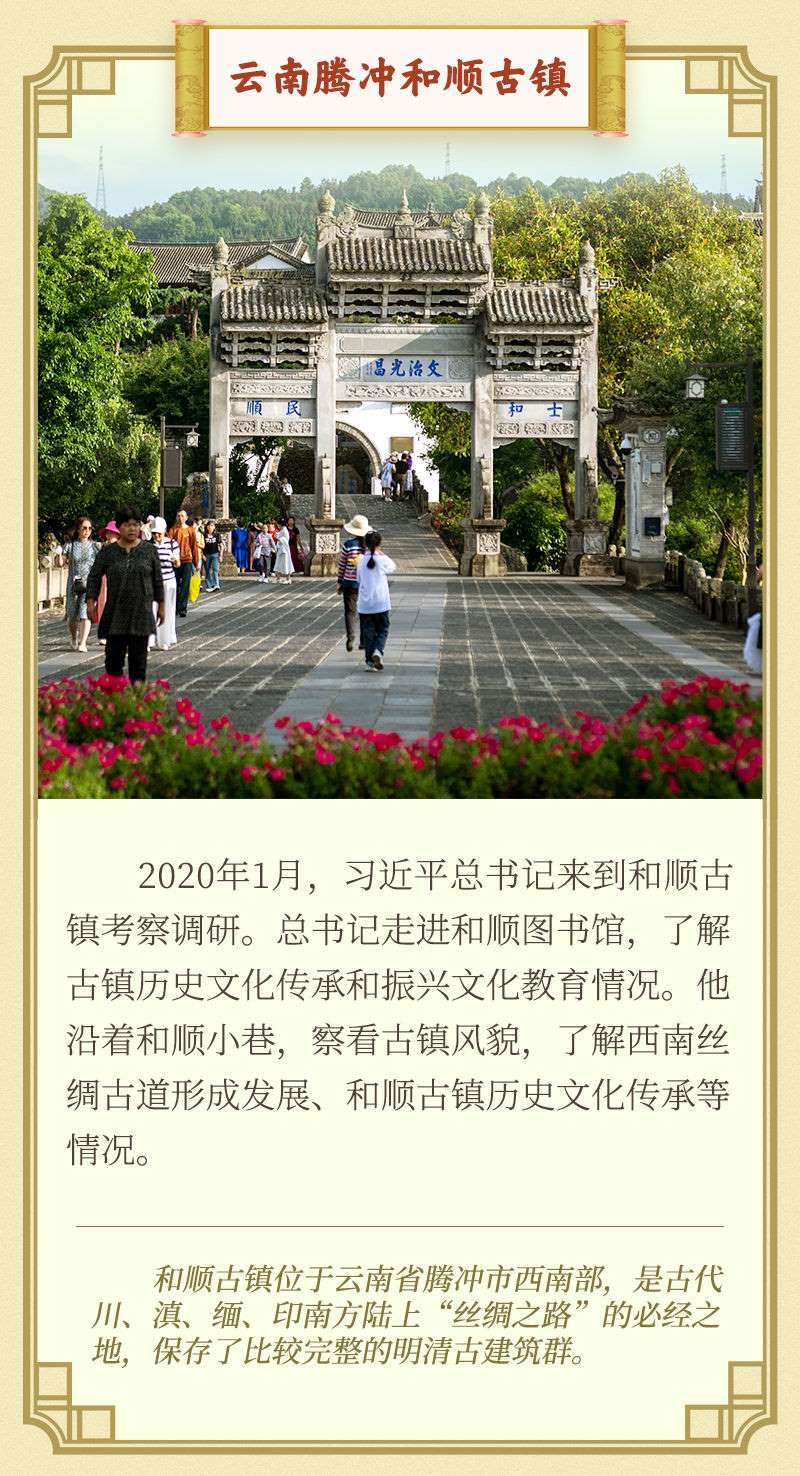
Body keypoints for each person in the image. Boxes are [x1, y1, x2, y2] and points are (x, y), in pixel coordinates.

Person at [86, 508, 164, 683]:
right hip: (116, 613)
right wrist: (91, 601)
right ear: (119, 527)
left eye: (135, 525)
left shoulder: (149, 550)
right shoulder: (108, 552)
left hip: (141, 613)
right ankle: (115, 696)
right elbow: (94, 577)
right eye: (127, 525)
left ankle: (137, 697)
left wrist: (161, 606)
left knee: (139, 666)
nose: (132, 529)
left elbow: (157, 579)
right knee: (113, 664)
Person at [356, 530, 396, 671]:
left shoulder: (361, 560)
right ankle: (378, 651)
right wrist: (381, 553)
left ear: (365, 543)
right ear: (380, 543)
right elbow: (393, 567)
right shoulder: (383, 560)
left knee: (368, 631)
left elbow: (358, 579)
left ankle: (369, 661)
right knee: (383, 628)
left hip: (365, 603)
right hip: (381, 602)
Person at [63, 516, 100, 652]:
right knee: (72, 615)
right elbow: (60, 563)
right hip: (73, 584)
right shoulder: (70, 545)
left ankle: (83, 642)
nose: (87, 531)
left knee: (85, 613)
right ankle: (74, 637)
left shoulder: (95, 546)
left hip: (89, 583)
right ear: (78, 529)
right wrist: (59, 554)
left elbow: (102, 563)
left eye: (90, 528)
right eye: (84, 528)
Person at [337, 513, 370, 652]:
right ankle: (363, 641)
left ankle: (350, 637)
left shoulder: (348, 545)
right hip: (365, 583)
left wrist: (340, 581)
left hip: (349, 583)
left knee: (350, 612)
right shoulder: (369, 546)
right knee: (364, 612)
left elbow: (342, 565)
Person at [150, 517, 179, 649]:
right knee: (151, 610)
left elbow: (178, 564)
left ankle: (165, 639)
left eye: (159, 533)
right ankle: (149, 640)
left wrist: (175, 560)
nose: (156, 536)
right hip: (154, 582)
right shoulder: (149, 546)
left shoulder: (172, 544)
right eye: (154, 533)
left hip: (169, 581)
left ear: (164, 531)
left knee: (167, 610)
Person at [168, 508, 199, 617]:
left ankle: (182, 608)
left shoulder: (190, 530)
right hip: (175, 561)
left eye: (182, 516)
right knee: (175, 585)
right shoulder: (172, 530)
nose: (180, 518)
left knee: (185, 585)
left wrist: (196, 562)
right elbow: (169, 546)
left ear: (186, 518)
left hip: (187, 560)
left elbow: (194, 546)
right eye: (178, 516)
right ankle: (175, 607)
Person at [93, 520, 119, 644]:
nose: (109, 536)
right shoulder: (103, 548)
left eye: (111, 533)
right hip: (105, 579)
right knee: (103, 605)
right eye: (108, 533)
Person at [203, 520, 221, 591]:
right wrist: (202, 555)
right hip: (206, 554)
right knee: (207, 570)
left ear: (214, 527)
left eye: (212, 525)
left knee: (215, 569)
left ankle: (216, 584)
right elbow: (202, 546)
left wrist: (221, 555)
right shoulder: (204, 535)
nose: (210, 527)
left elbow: (220, 545)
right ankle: (209, 585)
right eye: (209, 525)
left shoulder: (217, 535)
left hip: (215, 554)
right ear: (207, 527)